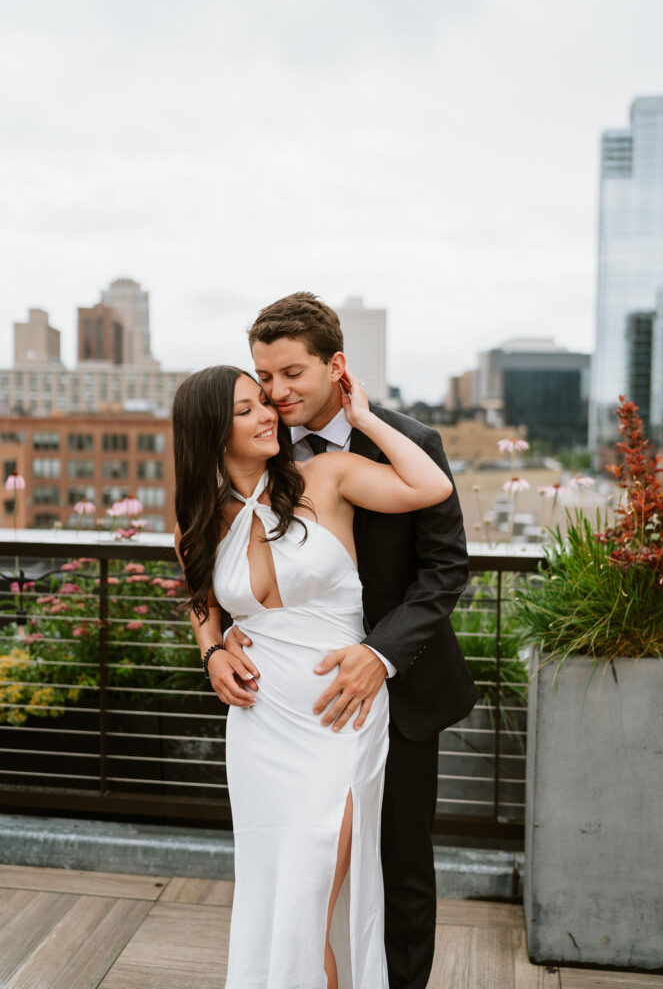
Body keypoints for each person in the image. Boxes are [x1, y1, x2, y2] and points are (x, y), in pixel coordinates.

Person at [220, 292, 478, 989]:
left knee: (397, 866)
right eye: (263, 377)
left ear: (336, 366)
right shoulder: (259, 452)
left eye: (291, 374)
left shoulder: (409, 443)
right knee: (303, 867)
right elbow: (212, 563)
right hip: (294, 710)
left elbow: (446, 570)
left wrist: (379, 654)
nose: (275, 393)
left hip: (404, 687)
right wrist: (215, 646)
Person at [172, 362, 453, 989]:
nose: (267, 412)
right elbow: (201, 600)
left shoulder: (325, 477)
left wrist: (364, 419)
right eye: (245, 409)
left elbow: (430, 487)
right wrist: (213, 652)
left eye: (262, 402)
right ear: (210, 432)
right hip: (259, 725)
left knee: (314, 893)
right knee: (283, 903)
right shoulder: (197, 520)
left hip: (339, 715)